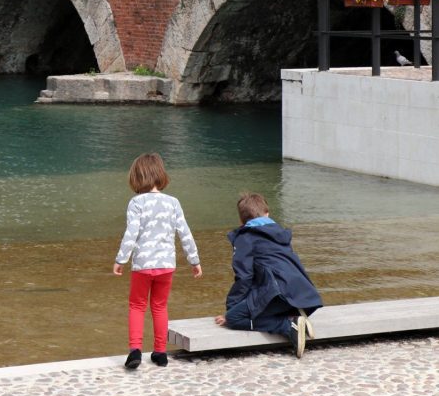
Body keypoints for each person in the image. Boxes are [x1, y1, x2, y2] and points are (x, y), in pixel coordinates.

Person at [114, 152, 202, 370]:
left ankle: (135, 350)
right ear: (160, 175)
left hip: (143, 266)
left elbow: (131, 233)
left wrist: (121, 259)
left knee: (137, 305)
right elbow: (185, 233)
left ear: (137, 177)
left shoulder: (136, 203)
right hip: (166, 265)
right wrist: (194, 260)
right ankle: (160, 352)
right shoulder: (173, 202)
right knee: (160, 306)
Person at [214, 191, 322, 358]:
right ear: (267, 213)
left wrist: (231, 311)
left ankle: (288, 326)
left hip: (277, 293)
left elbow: (244, 277)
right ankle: (295, 315)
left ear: (241, 221)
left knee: (235, 319)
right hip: (301, 293)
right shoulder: (280, 233)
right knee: (261, 300)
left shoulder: (245, 238)